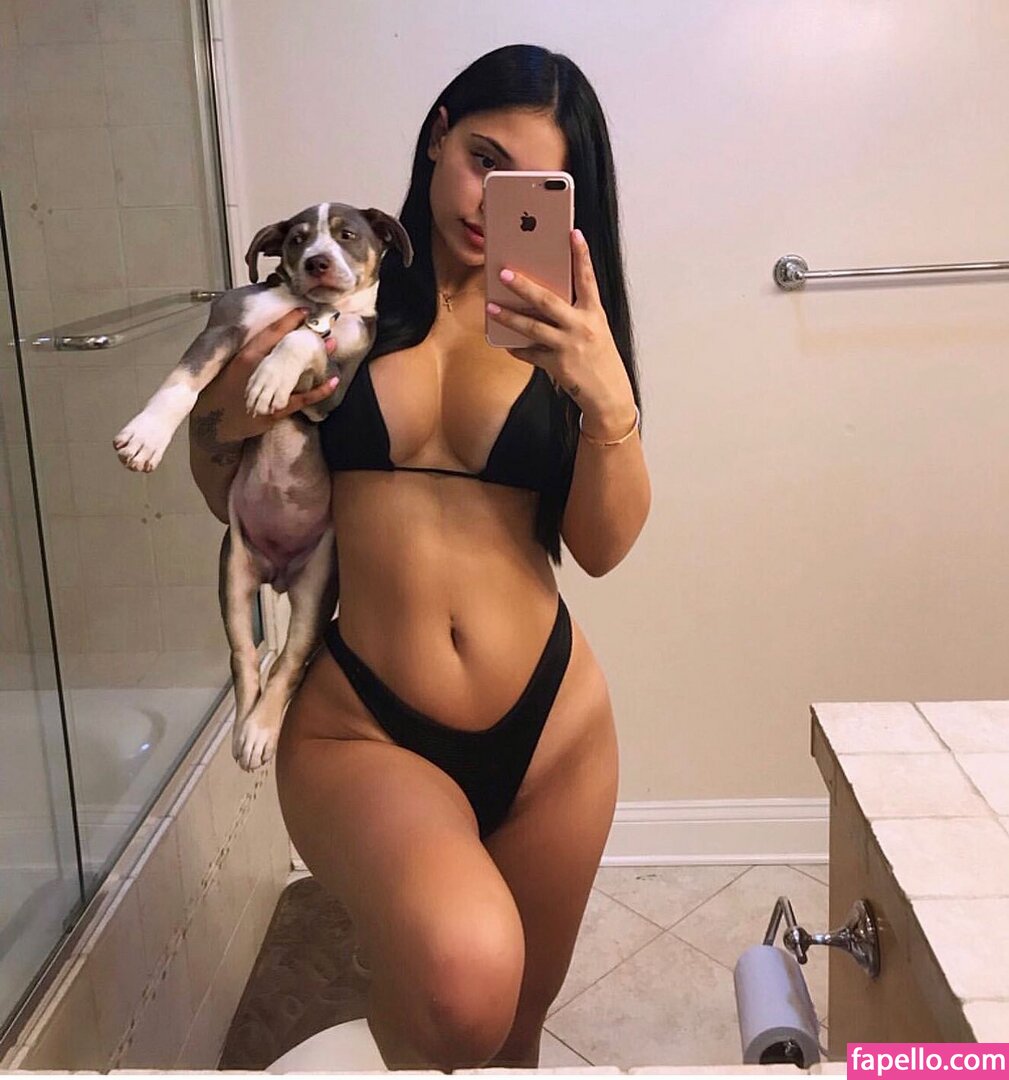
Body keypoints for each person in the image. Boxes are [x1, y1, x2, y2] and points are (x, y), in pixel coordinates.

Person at [189, 43, 650, 1072]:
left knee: (513, 1037)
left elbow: (602, 547)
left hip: (554, 734)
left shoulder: (562, 327)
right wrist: (236, 406)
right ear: (438, 132)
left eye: (528, 184)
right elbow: (224, 488)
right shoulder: (342, 299)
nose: (490, 202)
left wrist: (606, 396)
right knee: (463, 983)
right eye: (483, 158)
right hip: (364, 723)